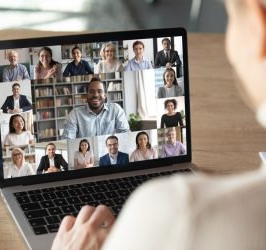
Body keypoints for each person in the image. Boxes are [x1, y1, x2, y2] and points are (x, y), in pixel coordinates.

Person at [52, 1, 266, 249]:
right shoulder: (75, 116)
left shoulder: (177, 212)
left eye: (232, 20)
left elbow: (124, 134)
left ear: (257, 25)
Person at [62, 77, 129, 139]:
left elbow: (125, 134)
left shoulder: (115, 109)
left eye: (99, 91)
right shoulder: (75, 115)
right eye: (91, 92)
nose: (95, 95)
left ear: (105, 95)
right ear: (86, 95)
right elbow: (68, 139)